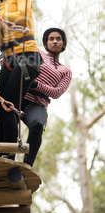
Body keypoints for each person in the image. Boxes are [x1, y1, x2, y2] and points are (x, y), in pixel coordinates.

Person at [0, 0, 42, 160]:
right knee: (1, 107)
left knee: (8, 104)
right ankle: (3, 154)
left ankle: (8, 158)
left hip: (27, 56)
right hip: (9, 60)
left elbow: (24, 16)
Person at [23, 27, 72, 166]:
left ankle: (27, 165)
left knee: (38, 125)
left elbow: (57, 92)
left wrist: (35, 84)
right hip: (19, 95)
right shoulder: (37, 52)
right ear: (46, 43)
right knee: (7, 120)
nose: (55, 41)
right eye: (51, 39)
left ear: (63, 44)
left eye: (58, 39)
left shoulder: (65, 71)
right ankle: (7, 158)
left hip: (37, 103)